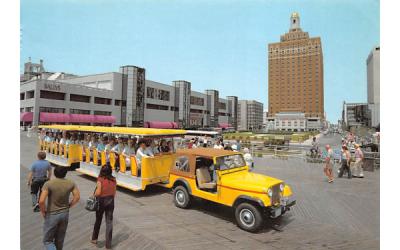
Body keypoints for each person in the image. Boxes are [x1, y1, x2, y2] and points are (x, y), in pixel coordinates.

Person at [39, 166, 80, 250]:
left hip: (52, 214)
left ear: (54, 173)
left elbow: (41, 201)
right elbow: (77, 197)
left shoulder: (48, 184)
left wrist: (43, 211)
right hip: (65, 213)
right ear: (65, 173)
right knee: (59, 240)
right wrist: (69, 205)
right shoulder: (71, 183)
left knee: (48, 241)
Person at [91, 164, 117, 249]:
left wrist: (93, 195)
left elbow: (98, 193)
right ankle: (108, 245)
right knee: (109, 222)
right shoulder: (114, 179)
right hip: (111, 201)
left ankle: (94, 239)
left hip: (101, 201)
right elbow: (114, 192)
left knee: (98, 220)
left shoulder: (100, 179)